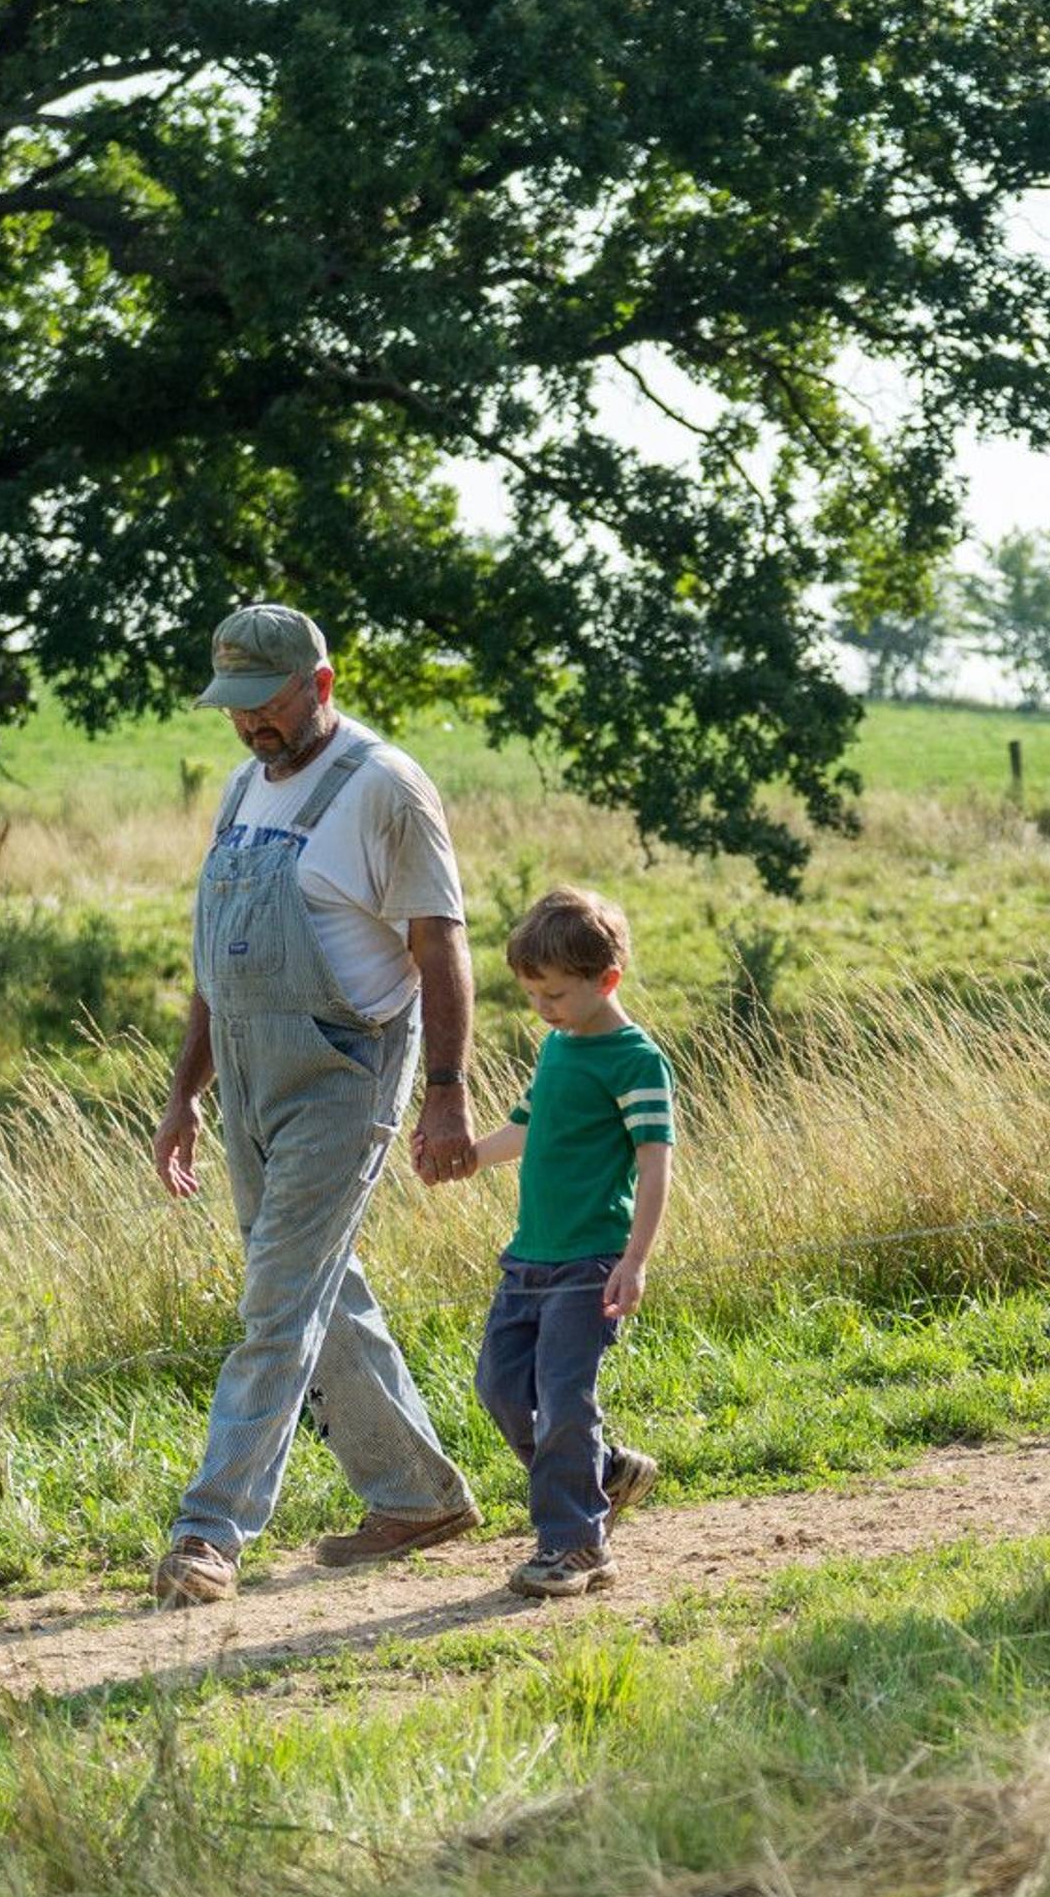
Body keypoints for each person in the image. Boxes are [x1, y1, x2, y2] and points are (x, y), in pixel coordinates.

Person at [144, 603, 485, 1608]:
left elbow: (440, 948)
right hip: (248, 1071)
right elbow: (217, 957)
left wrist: (447, 1094)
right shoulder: (244, 788)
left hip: (345, 1071)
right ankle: (417, 1496)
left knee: (277, 1300)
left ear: (320, 685)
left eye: (266, 702)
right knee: (314, 1287)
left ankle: (209, 1534)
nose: (250, 724)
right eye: (234, 707)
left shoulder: (385, 789)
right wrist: (183, 1097)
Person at [459, 884, 672, 1597]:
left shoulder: (636, 1062)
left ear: (605, 980)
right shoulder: (558, 1047)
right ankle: (601, 1473)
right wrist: (464, 1158)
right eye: (532, 994)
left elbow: (653, 1165)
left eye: (554, 994)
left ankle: (577, 1545)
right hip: (528, 1259)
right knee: (498, 1386)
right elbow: (526, 1128)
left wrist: (634, 1261)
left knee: (564, 1399)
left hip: (588, 1263)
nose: (543, 1009)